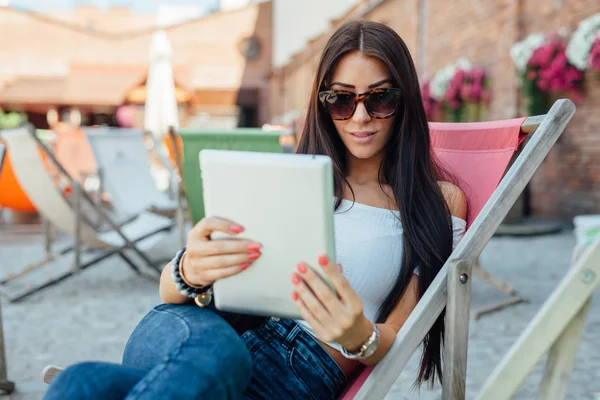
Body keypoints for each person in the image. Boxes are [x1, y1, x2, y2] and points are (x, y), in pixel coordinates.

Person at [43, 20, 467, 400]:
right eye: (341, 100)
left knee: (81, 385)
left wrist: (360, 336)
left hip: (297, 373)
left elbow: (402, 331)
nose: (360, 116)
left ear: (405, 99)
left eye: (379, 98)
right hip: (197, 330)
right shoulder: (289, 178)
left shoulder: (437, 202)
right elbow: (169, 292)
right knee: (219, 353)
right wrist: (190, 268)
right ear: (323, 105)